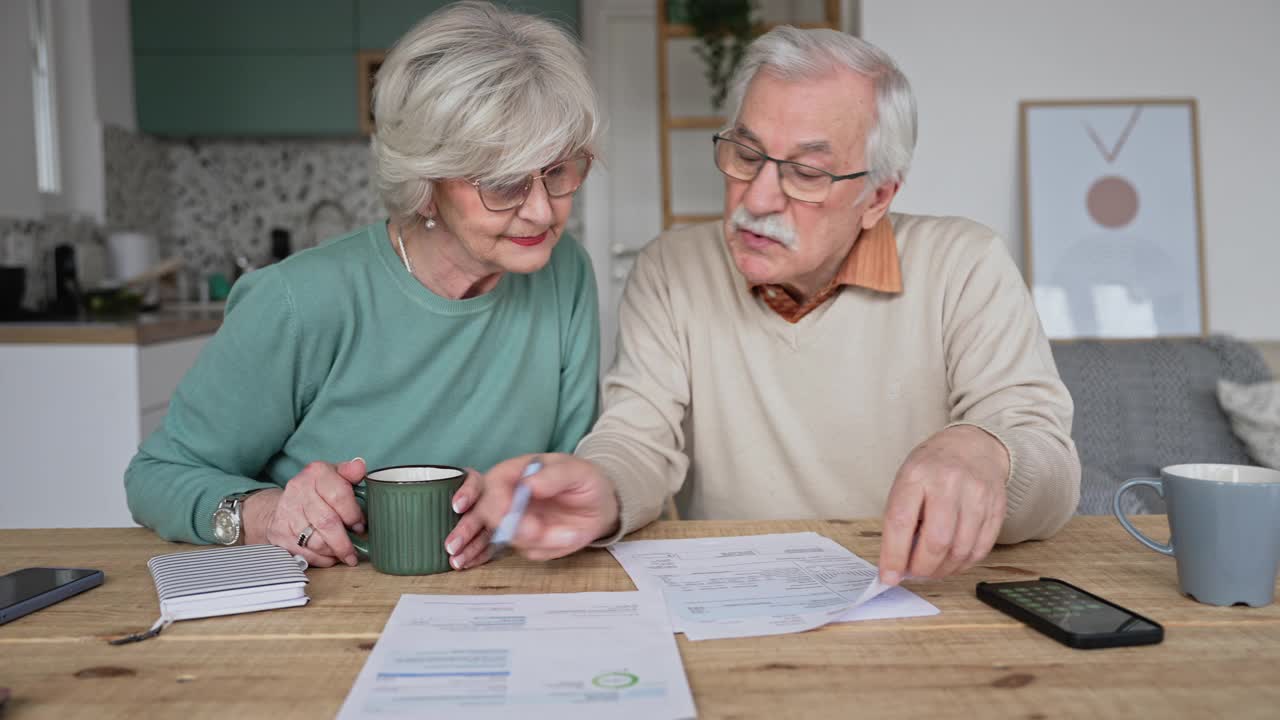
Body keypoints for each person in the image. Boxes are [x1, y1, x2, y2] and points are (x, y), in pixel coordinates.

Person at [473, 26, 1082, 582]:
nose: (758, 198)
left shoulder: (964, 264)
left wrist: (985, 450)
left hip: (926, 597)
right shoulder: (672, 269)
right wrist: (601, 486)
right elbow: (638, 439)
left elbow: (1051, 477)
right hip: (735, 595)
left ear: (878, 197)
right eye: (746, 154)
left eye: (807, 173)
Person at [124, 1, 600, 572]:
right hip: (320, 610)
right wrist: (264, 511)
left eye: (560, 170)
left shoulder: (565, 272)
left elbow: (570, 465)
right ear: (425, 183)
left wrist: (509, 506)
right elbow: (156, 477)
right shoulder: (299, 300)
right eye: (503, 183)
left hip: (497, 600)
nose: (543, 211)